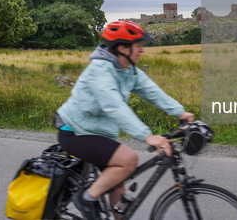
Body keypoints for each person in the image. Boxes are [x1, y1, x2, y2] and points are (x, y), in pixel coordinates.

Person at [55, 20, 194, 220]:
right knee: (128, 160)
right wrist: (148, 136)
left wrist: (181, 113)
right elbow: (115, 107)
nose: (142, 50)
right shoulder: (100, 71)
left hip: (96, 132)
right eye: (138, 45)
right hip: (75, 131)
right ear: (122, 48)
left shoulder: (127, 68)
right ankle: (86, 199)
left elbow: (151, 91)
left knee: (118, 190)